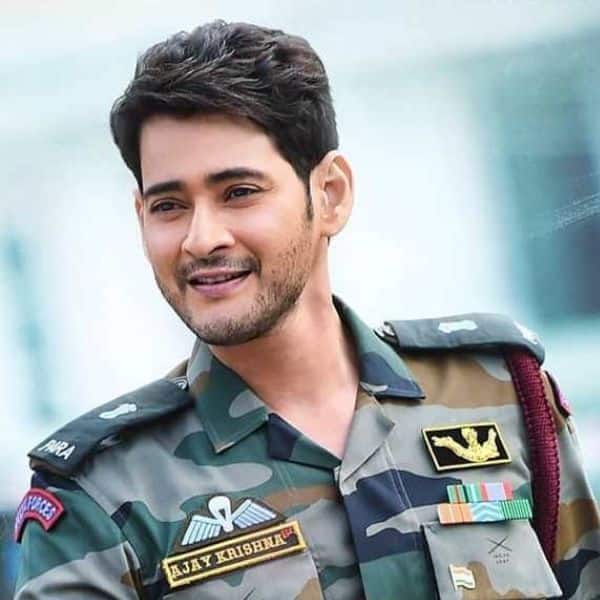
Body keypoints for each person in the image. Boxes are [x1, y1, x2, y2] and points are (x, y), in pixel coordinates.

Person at [14, 20, 599, 599]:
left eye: (239, 192)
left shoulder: (501, 393)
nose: (201, 238)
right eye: (169, 205)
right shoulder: (99, 497)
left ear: (330, 194)